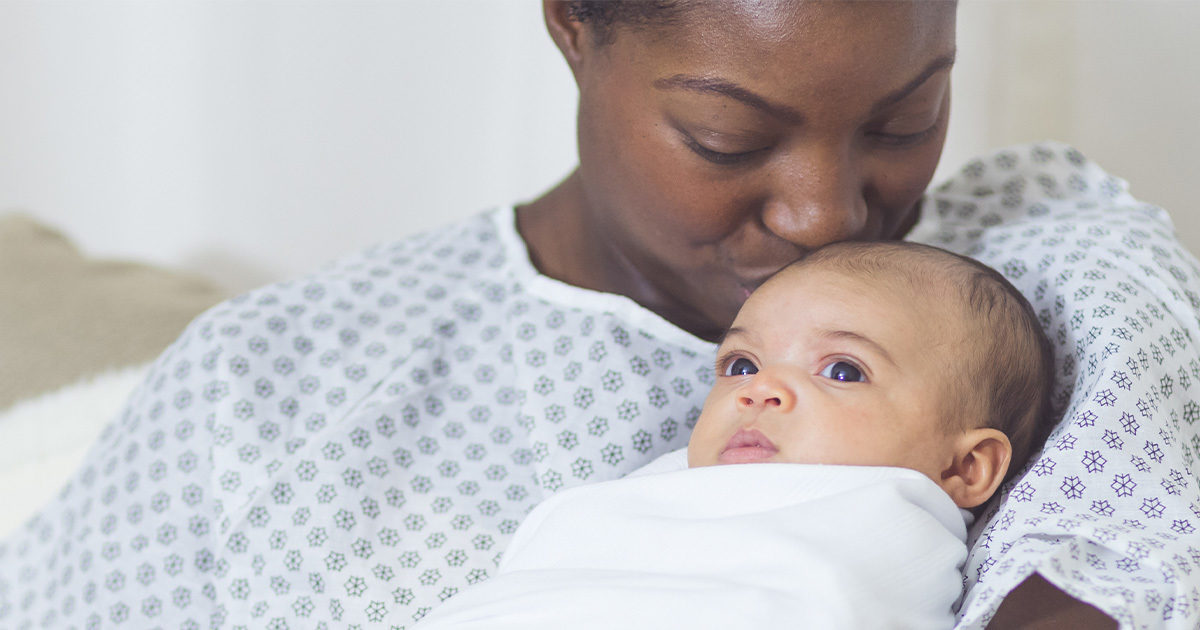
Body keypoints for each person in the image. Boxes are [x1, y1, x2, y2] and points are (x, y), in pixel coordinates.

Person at [1, 1, 1197, 628]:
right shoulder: (270, 390)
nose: (828, 212)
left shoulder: (1040, 258)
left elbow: (1137, 546)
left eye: (903, 119)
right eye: (728, 138)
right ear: (574, 23)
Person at [413, 240, 1057, 629]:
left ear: (965, 469)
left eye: (841, 369)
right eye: (741, 365)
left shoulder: (893, 517)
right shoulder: (652, 490)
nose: (758, 389)